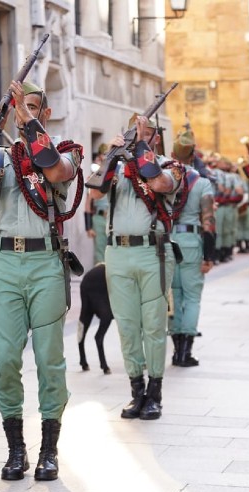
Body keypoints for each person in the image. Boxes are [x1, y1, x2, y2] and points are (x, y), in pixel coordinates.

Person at [0, 81, 83, 481]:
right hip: (4, 261)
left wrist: (27, 121)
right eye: (17, 108)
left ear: (45, 113)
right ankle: (16, 448)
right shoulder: (1, 157)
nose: (20, 114)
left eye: (31, 107)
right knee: (2, 362)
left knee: (50, 360)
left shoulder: (65, 150)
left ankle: (49, 450)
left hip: (45, 262)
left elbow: (55, 171)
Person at [92, 114, 183, 422]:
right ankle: (137, 392)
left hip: (152, 251)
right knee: (128, 326)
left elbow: (159, 183)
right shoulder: (116, 165)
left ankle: (155, 394)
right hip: (118, 252)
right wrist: (110, 156)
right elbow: (94, 192)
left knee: (154, 325)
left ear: (154, 138)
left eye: (144, 133)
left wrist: (139, 152)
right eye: (133, 131)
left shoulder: (170, 165)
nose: (136, 136)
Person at [168, 129, 215, 367]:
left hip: (167, 241)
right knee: (192, 297)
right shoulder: (202, 183)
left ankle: (175, 350)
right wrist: (209, 255)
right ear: (192, 155)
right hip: (191, 242)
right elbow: (209, 221)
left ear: (172, 153)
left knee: (173, 296)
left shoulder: (163, 178)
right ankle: (186, 352)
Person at [85, 145, 110, 265]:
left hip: (111, 218)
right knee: (100, 253)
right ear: (100, 156)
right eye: (104, 154)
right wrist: (88, 226)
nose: (106, 157)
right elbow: (88, 202)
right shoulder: (95, 174)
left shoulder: (113, 172)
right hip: (99, 218)